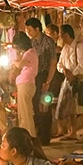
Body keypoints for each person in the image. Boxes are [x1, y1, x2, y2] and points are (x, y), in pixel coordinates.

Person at [55, 24, 83, 142]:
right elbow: (59, 64)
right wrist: (65, 71)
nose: (60, 38)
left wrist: (73, 74)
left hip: (81, 79)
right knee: (71, 109)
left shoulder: (80, 47)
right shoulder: (65, 49)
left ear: (66, 35)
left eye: (61, 35)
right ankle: (73, 132)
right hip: (68, 80)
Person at [25, 18, 58, 146]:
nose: (28, 32)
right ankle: (38, 135)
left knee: (45, 106)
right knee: (35, 106)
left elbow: (53, 62)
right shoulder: (31, 42)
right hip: (34, 77)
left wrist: (48, 81)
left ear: (37, 29)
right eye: (27, 30)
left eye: (30, 30)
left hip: (45, 75)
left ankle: (45, 137)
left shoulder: (48, 42)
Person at [11, 32, 38, 137]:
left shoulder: (29, 53)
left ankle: (29, 137)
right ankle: (28, 136)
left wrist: (14, 61)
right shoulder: (30, 53)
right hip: (26, 83)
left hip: (26, 83)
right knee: (23, 114)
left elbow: (19, 64)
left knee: (25, 115)